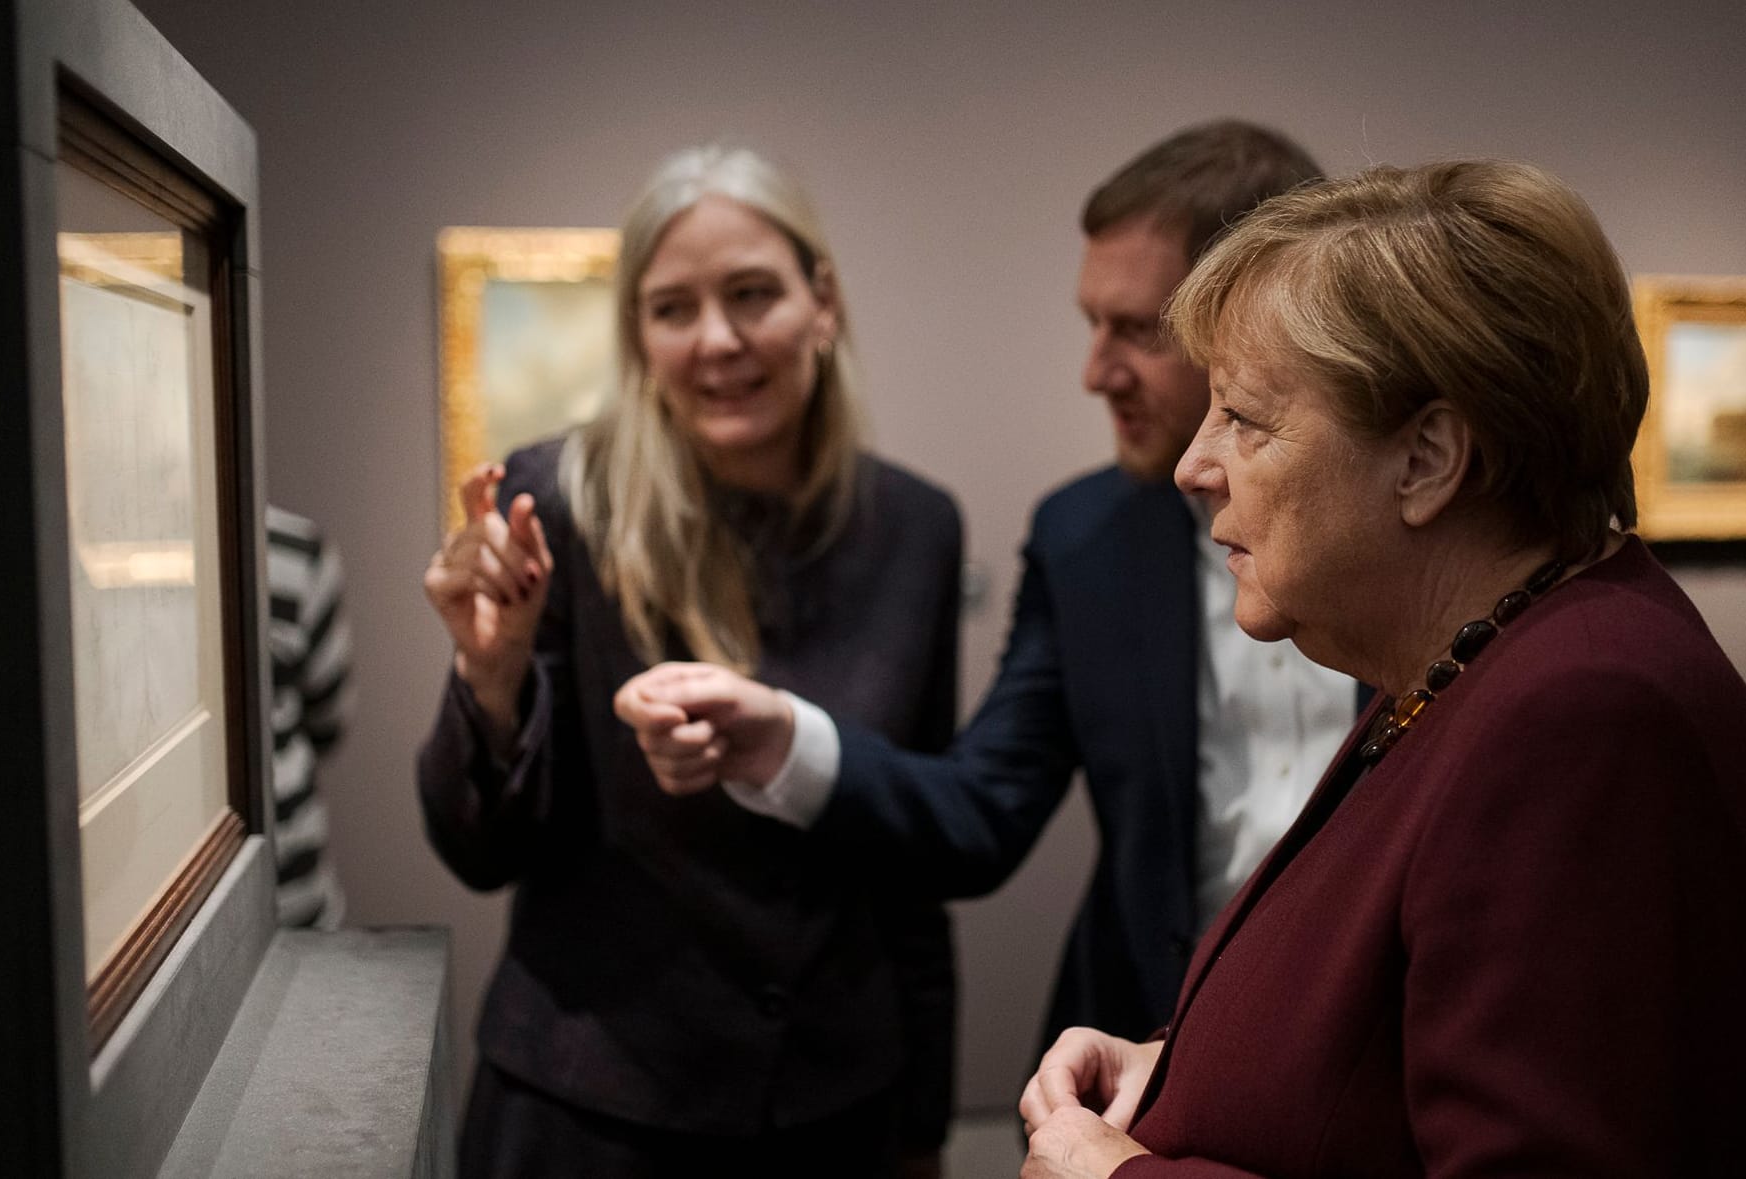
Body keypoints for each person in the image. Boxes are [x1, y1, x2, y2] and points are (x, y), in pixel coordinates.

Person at [1018, 159, 1746, 1177]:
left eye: (1244, 418)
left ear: (1425, 461)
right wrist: (1180, 1067)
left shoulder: (1580, 717)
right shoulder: (1476, 658)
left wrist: (1119, 1178)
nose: (1195, 465)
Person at [616, 121, 1362, 1058]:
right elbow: (978, 816)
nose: (1095, 372)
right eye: (1090, 324)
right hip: (1141, 1067)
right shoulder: (1083, 541)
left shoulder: (1409, 524)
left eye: (1136, 330)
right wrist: (782, 739)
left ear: (1260, 320)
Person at [417, 144, 962, 1178]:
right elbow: (480, 853)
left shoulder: (914, 528)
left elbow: (913, 853)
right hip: (589, 1107)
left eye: (751, 294)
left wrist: (924, 1122)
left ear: (822, 303)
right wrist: (490, 684)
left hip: (835, 1108)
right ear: (637, 335)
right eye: (672, 309)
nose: (717, 340)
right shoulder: (560, 502)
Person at [266, 504, 352, 929]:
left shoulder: (298, 549)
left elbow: (328, 720)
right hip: (294, 891)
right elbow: (328, 718)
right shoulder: (294, 548)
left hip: (296, 901)